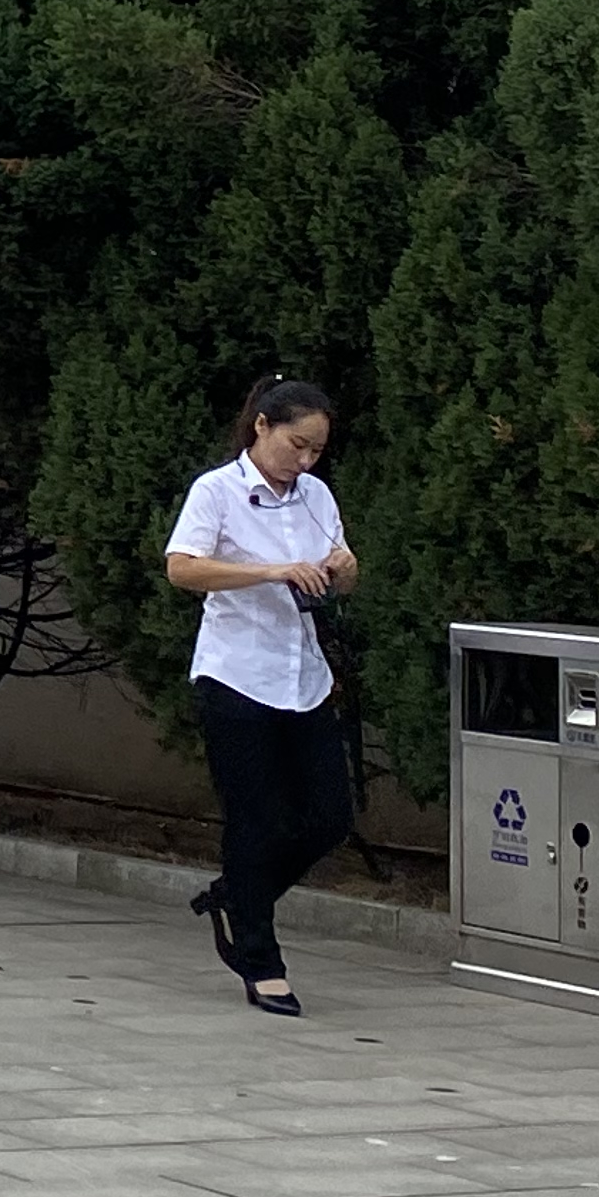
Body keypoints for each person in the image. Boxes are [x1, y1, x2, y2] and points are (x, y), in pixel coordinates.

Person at [169, 378, 360, 1017]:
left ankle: (236, 895)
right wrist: (271, 571)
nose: (304, 462)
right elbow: (184, 568)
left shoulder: (316, 497)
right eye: (296, 445)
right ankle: (260, 958)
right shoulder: (217, 491)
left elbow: (341, 567)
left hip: (303, 675)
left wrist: (341, 570)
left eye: (316, 451)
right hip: (236, 673)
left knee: (331, 814)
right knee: (256, 819)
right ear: (262, 427)